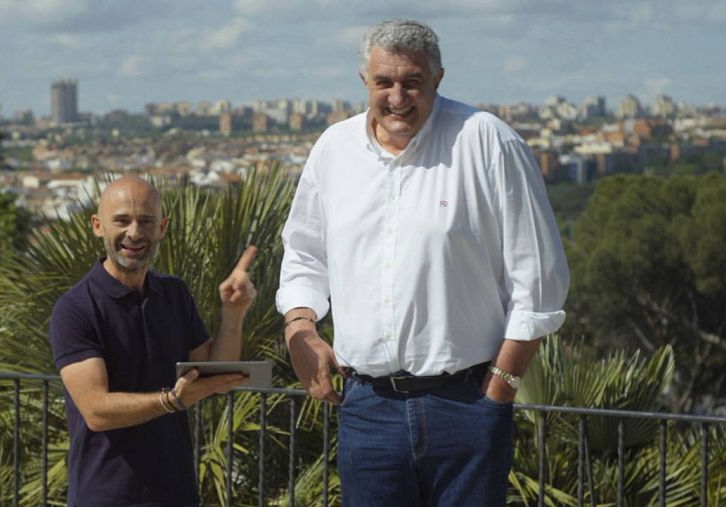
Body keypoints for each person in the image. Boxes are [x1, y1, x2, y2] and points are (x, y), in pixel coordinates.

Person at [277, 19, 570, 506]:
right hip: (366, 408)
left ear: (437, 79)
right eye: (384, 83)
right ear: (364, 83)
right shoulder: (334, 150)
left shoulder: (488, 142)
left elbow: (540, 280)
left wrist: (501, 388)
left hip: (466, 402)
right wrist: (300, 329)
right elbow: (304, 255)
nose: (397, 97)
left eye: (412, 82)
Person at [49, 175, 257, 507]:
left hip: (177, 495)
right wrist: (171, 401)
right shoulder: (75, 308)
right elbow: (95, 410)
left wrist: (233, 313)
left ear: (162, 227)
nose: (134, 232)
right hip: (105, 498)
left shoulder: (174, 293)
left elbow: (215, 372)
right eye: (122, 221)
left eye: (145, 221)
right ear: (97, 226)